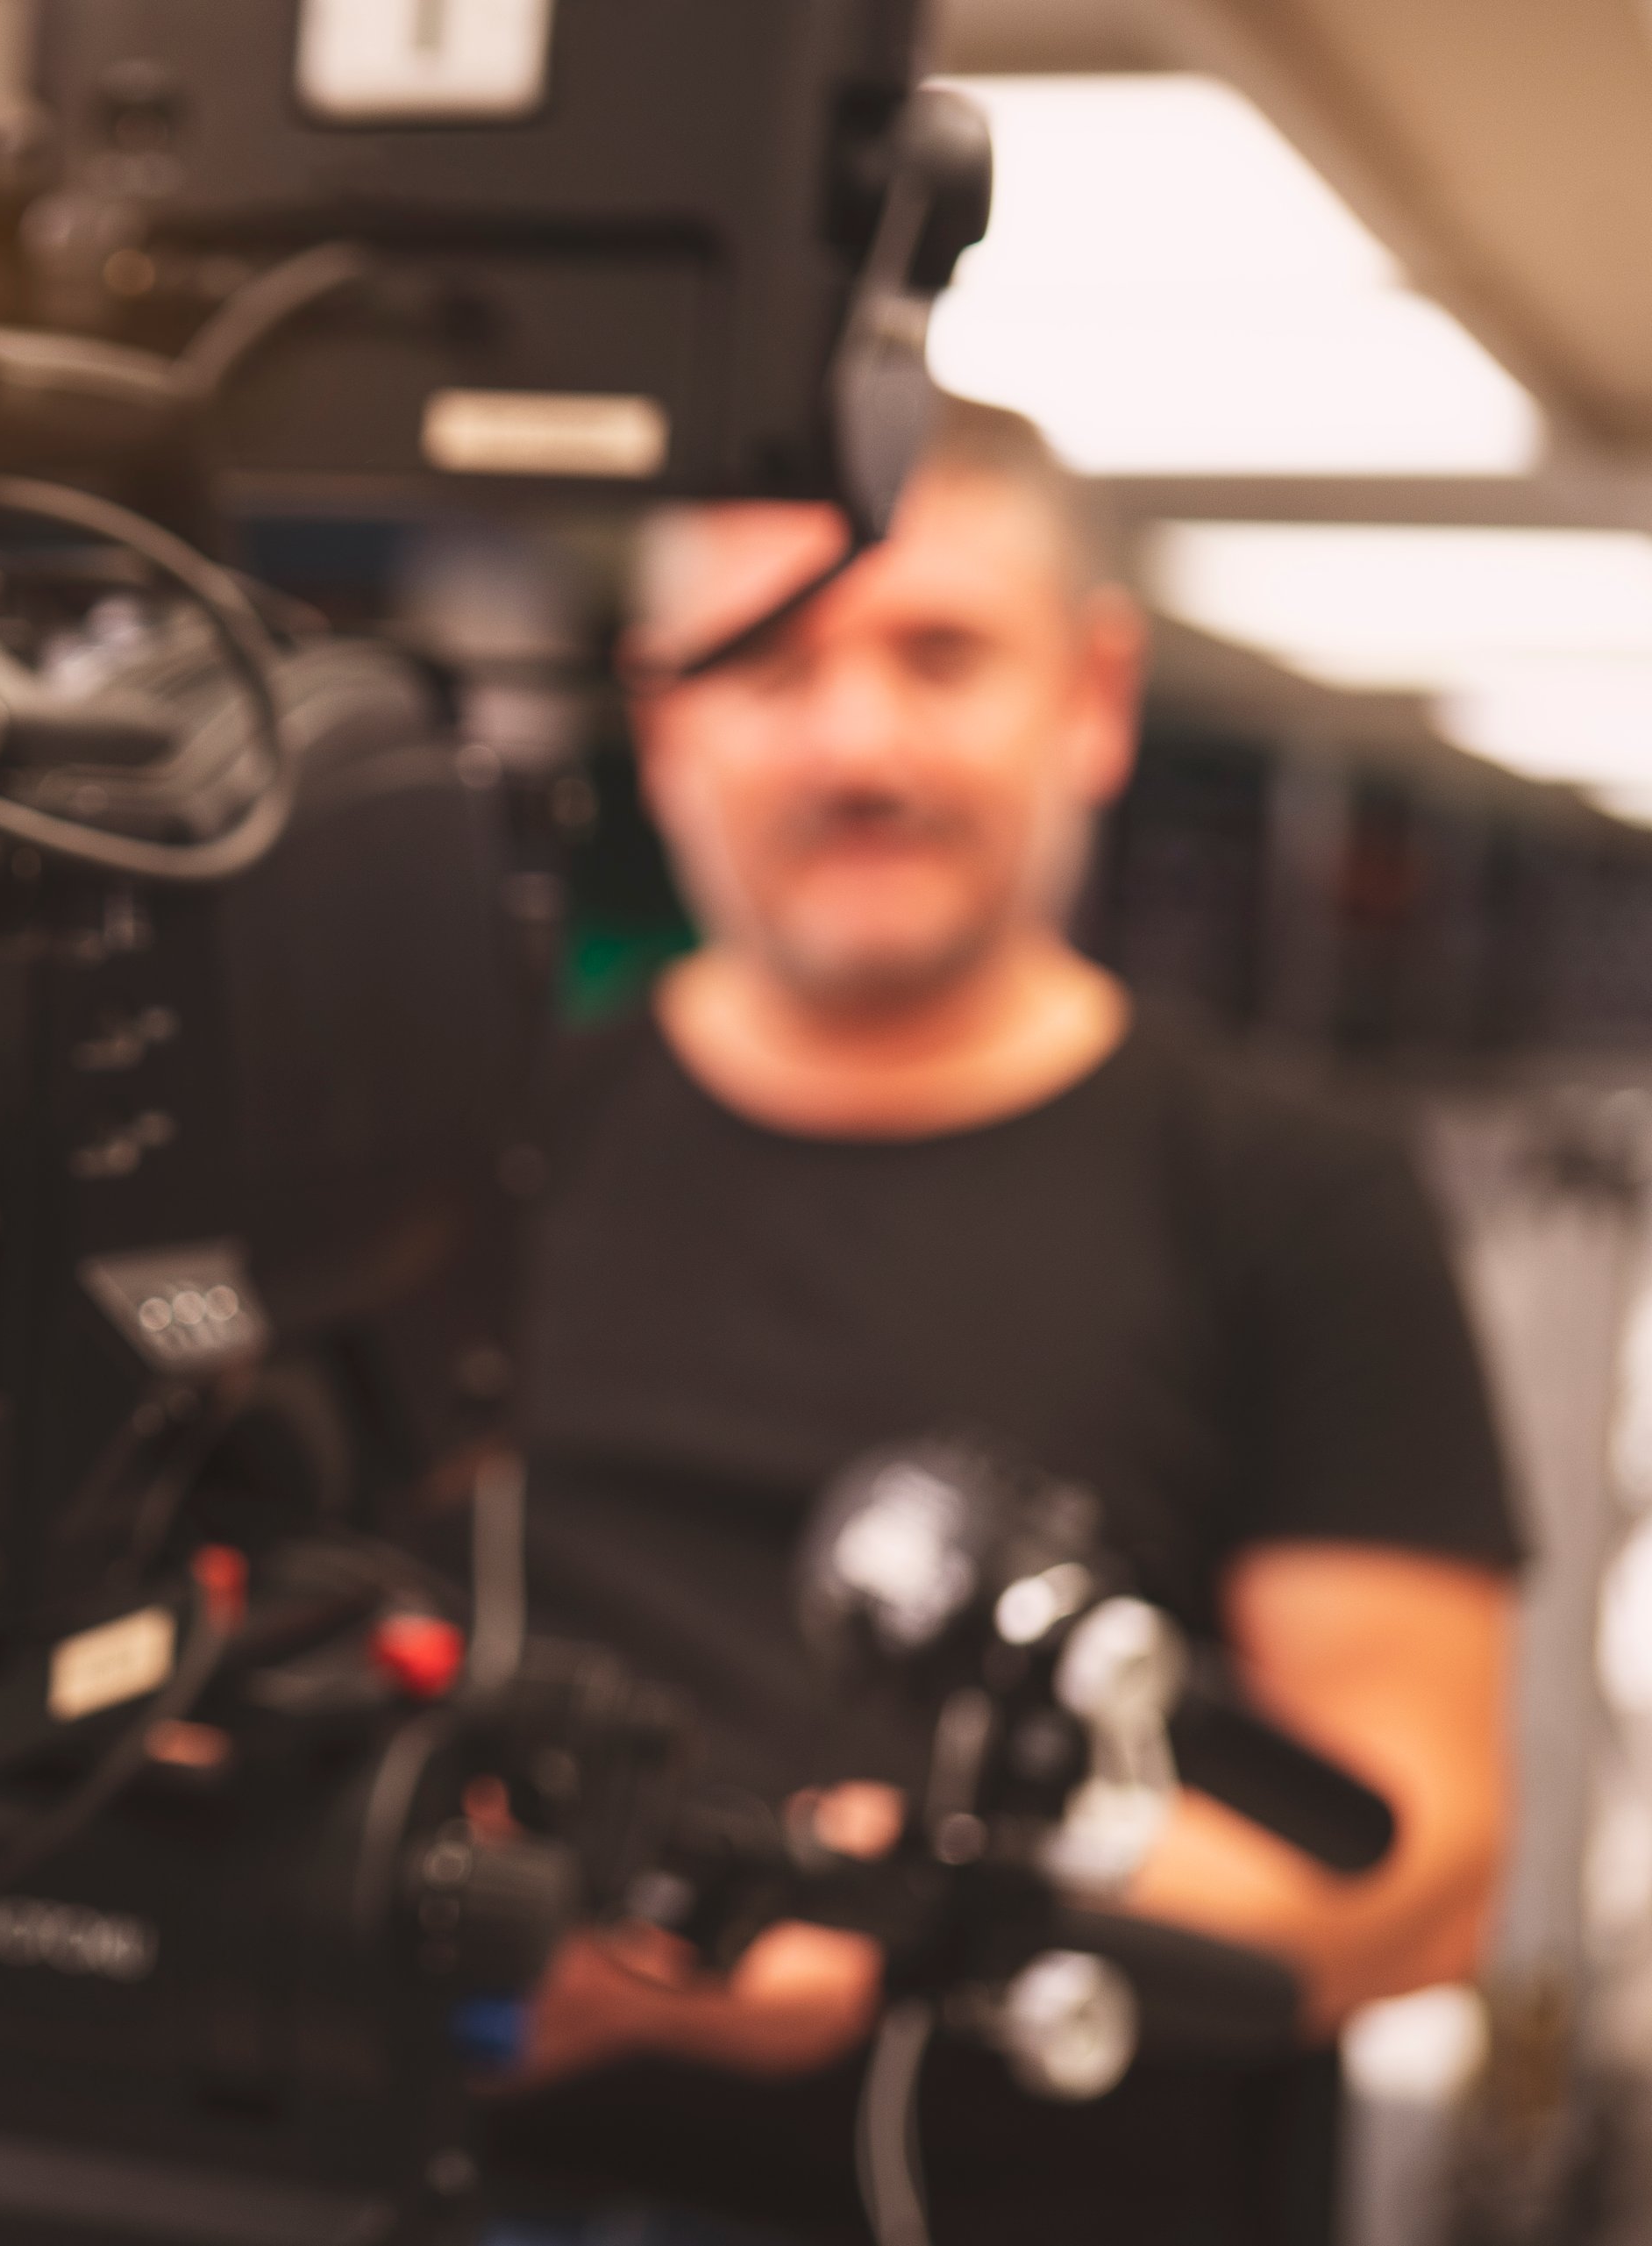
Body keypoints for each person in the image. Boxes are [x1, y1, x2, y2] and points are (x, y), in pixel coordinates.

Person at [477, 400, 1522, 2244]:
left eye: (938, 653)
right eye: (771, 666)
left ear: (1093, 697)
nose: (857, 742)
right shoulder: (478, 1157)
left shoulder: (1290, 1197)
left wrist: (895, 1916)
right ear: (658, 719)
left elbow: (1417, 1878)